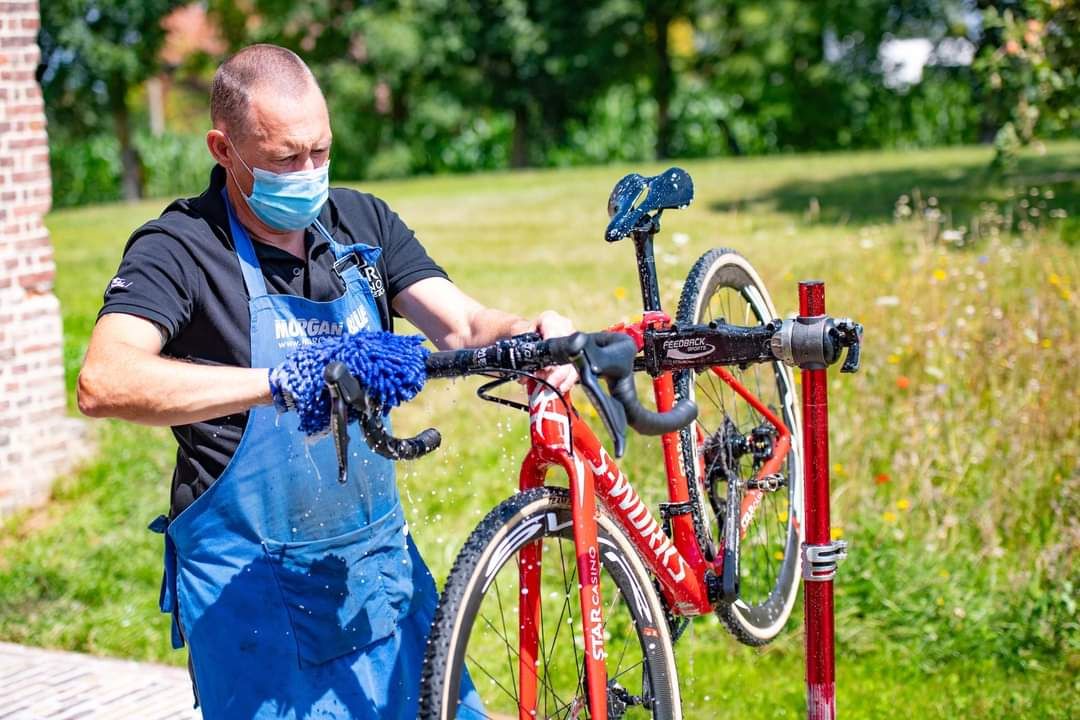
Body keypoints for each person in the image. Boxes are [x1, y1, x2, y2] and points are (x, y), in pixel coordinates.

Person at [77, 44, 576, 720]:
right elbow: (104, 380)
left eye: (321, 151)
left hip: (375, 577)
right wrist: (277, 382)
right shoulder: (180, 248)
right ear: (223, 149)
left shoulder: (359, 223)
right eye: (285, 158)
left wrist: (531, 333)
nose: (308, 173)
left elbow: (462, 326)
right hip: (251, 604)